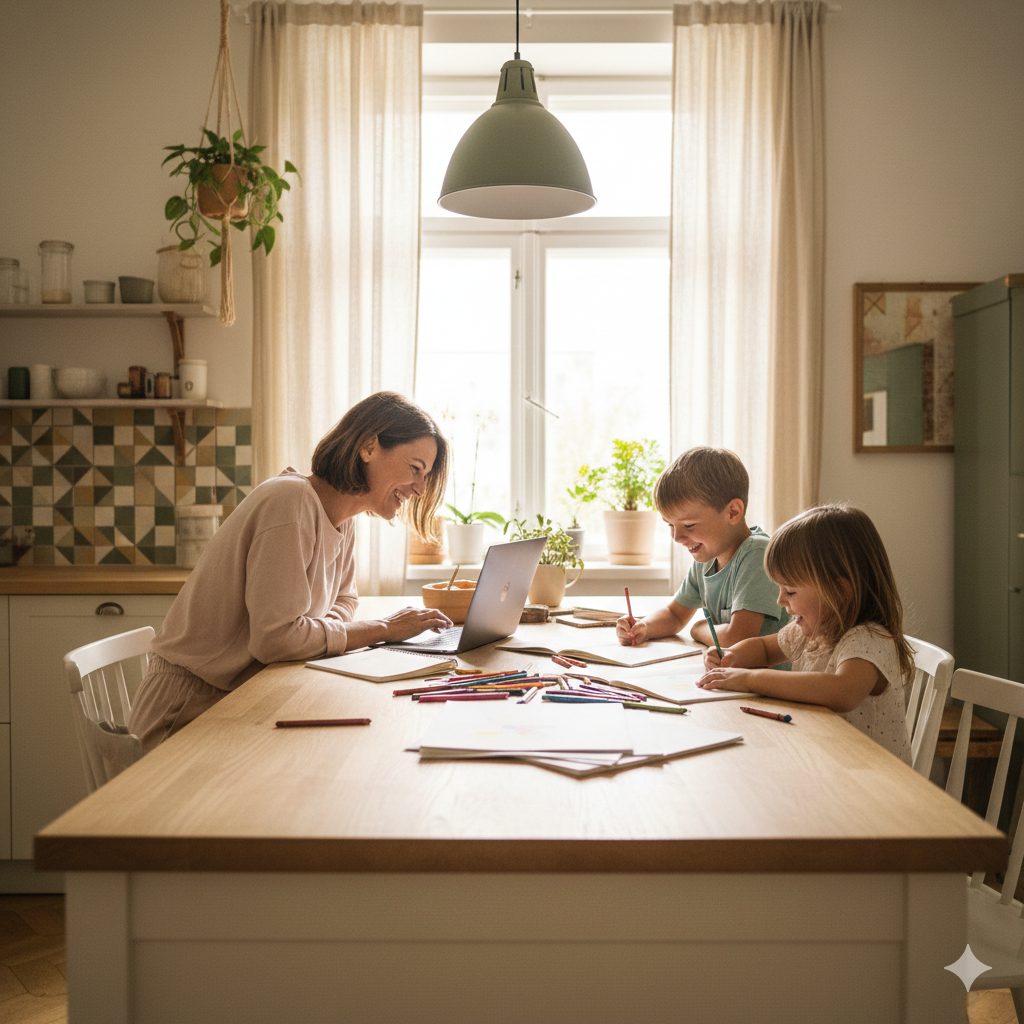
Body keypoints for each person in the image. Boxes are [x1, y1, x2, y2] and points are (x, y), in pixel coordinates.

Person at [127, 391, 453, 752]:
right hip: (186, 709)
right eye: (415, 468)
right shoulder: (290, 502)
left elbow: (345, 601)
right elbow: (276, 639)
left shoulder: (343, 518)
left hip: (238, 697)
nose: (420, 489)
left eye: (426, 476)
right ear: (369, 447)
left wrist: (315, 635)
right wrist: (383, 629)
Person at [696, 503, 914, 763]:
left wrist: (750, 679)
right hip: (824, 760)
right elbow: (765, 650)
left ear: (839, 592)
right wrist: (732, 656)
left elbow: (843, 692)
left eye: (790, 591)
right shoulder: (813, 631)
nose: (780, 601)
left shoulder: (869, 638)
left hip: (873, 777)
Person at [615, 446, 788, 655]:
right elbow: (674, 614)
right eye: (670, 525)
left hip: (765, 676)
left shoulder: (759, 555)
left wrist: (698, 628)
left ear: (733, 512)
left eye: (688, 525)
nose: (676, 537)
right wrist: (643, 627)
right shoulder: (707, 558)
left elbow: (736, 640)